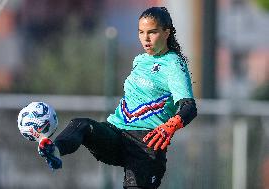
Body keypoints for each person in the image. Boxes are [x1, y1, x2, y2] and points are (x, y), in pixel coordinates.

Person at [38, 7, 197, 189]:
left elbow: (189, 107)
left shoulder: (174, 64)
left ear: (166, 32)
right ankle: (54, 150)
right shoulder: (140, 60)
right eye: (141, 32)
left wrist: (169, 127)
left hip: (146, 143)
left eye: (152, 32)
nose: (145, 38)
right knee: (81, 125)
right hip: (116, 132)